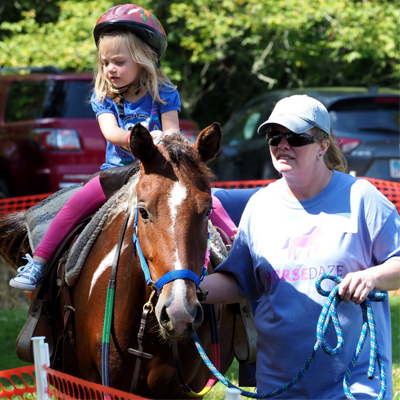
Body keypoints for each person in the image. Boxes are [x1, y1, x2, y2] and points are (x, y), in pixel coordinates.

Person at [9, 4, 236, 291]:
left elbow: (173, 133)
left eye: (118, 62)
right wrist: (140, 138)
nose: (110, 69)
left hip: (158, 172)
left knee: (202, 200)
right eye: (105, 63)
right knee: (75, 204)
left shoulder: (164, 93)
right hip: (116, 173)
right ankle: (39, 263)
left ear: (142, 59)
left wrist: (162, 139)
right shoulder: (104, 96)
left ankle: (236, 246)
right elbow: (111, 132)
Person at [200, 94, 400, 399]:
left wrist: (372, 278)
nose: (282, 145)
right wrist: (184, 289)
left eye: (295, 137)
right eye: (274, 136)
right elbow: (240, 281)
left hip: (354, 388)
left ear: (323, 145)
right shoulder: (260, 206)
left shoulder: (362, 198)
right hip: (280, 388)